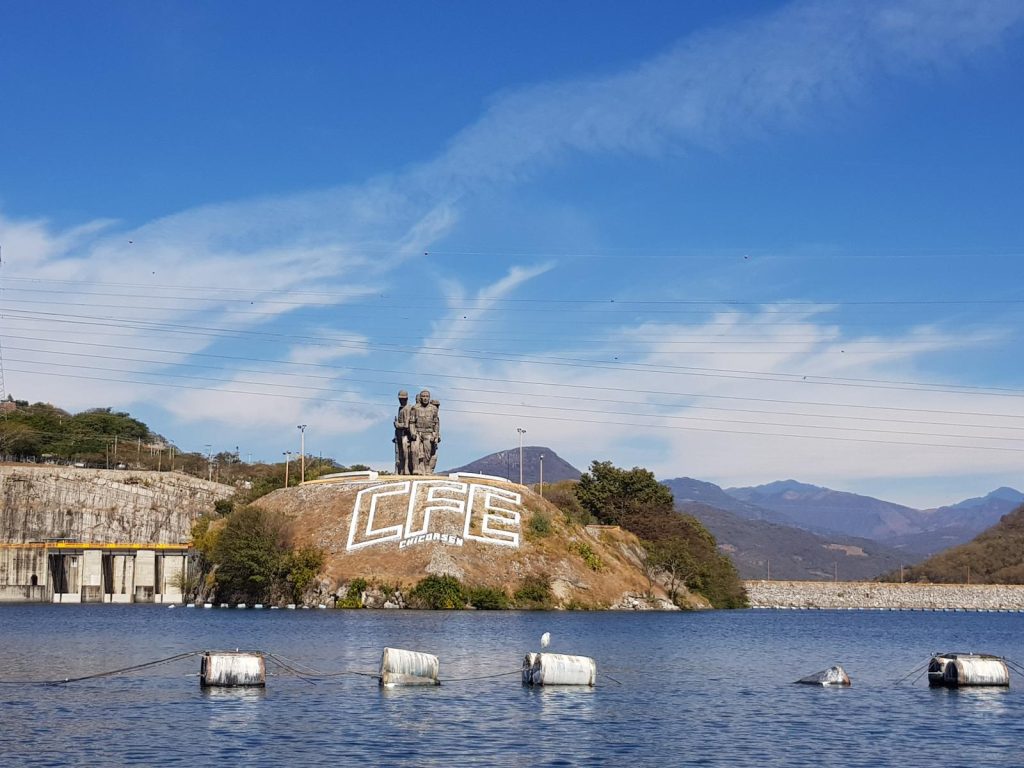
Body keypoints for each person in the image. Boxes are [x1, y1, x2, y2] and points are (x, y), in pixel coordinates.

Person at [409, 389, 440, 475]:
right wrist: (413, 433)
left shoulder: (433, 409)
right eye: (423, 396)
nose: (425, 398)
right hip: (418, 432)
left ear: (429, 398)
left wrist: (435, 434)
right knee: (414, 448)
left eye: (427, 396)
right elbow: (412, 422)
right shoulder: (415, 408)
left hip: (428, 433)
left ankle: (427, 468)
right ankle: (415, 468)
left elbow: (436, 423)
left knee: (428, 450)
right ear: (420, 398)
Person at [393, 390, 412, 474]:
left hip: (405, 435)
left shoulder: (408, 409)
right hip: (399, 435)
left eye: (403, 399)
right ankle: (399, 470)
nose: (402, 400)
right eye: (400, 399)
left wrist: (397, 425)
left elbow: (406, 425)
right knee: (398, 454)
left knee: (404, 453)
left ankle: (405, 469)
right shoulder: (400, 408)